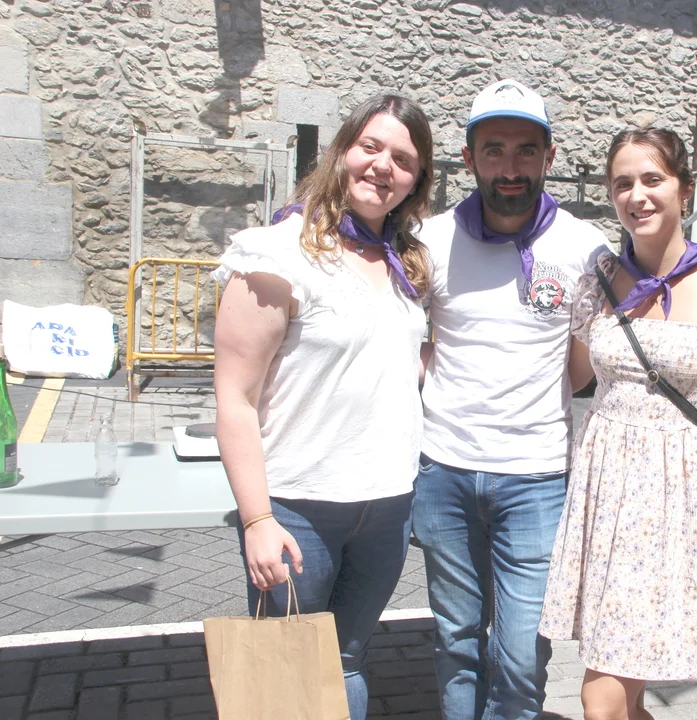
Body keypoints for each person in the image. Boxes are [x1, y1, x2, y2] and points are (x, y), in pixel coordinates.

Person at [213, 94, 434, 720]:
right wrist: (257, 519)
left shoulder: (405, 262)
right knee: (283, 677)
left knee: (345, 661)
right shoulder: (276, 253)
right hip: (298, 508)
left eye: (403, 159)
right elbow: (234, 398)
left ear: (416, 180)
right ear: (342, 151)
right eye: (371, 147)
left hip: (387, 506)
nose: (383, 166)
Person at [412, 79, 610, 720]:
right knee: (457, 640)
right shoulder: (429, 241)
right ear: (468, 158)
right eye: (493, 150)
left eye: (526, 150)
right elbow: (393, 333)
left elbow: (586, 364)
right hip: (444, 469)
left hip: (536, 478)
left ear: (549, 156)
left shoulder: (585, 249)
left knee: (522, 653)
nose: (510, 167)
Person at [539, 127, 697, 720]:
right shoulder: (599, 279)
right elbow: (575, 376)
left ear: (685, 188)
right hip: (605, 488)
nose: (637, 195)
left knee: (602, 696)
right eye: (622, 183)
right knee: (617, 692)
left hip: (682, 495)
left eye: (653, 179)